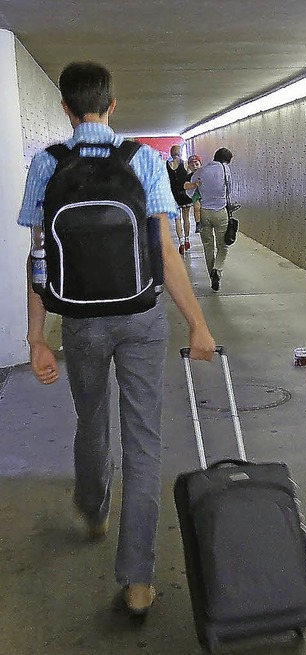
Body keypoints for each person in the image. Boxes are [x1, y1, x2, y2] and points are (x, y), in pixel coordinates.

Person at [17, 61, 216, 617]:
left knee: (91, 419)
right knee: (145, 442)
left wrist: (36, 337)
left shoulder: (46, 164)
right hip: (142, 316)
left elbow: (39, 256)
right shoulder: (145, 161)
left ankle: (94, 505)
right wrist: (197, 323)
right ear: (112, 104)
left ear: (64, 107)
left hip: (79, 322)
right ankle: (137, 581)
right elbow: (166, 252)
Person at [187, 147, 235, 291]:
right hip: (221, 212)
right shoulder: (225, 169)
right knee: (223, 245)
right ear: (226, 161)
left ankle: (212, 277)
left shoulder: (201, 171)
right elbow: (229, 189)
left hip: (204, 213)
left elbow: (190, 191)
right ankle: (217, 270)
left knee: (208, 247)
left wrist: (200, 197)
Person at [166, 144, 193, 254]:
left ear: (171, 153)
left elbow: (166, 181)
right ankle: (187, 240)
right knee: (186, 218)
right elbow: (190, 177)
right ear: (180, 152)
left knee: (177, 219)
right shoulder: (185, 163)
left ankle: (181, 243)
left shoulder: (167, 165)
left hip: (174, 196)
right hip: (185, 195)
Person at [186, 154, 202, 233]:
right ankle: (198, 223)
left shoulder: (204, 174)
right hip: (195, 194)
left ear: (201, 164)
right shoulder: (189, 176)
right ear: (189, 167)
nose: (195, 167)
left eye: (197, 164)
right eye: (192, 165)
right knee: (197, 207)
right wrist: (193, 185)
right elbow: (185, 185)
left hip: (205, 193)